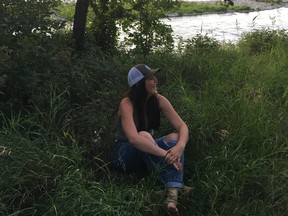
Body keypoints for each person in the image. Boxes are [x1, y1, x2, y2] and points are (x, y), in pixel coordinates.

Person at [111, 64, 189, 215]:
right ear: (139, 84)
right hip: (124, 155)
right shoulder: (126, 103)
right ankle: (173, 182)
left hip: (147, 150)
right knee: (144, 135)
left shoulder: (159, 100)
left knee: (175, 137)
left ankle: (172, 195)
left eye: (154, 77)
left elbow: (182, 127)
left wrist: (180, 145)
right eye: (150, 78)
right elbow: (134, 139)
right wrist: (165, 154)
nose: (155, 81)